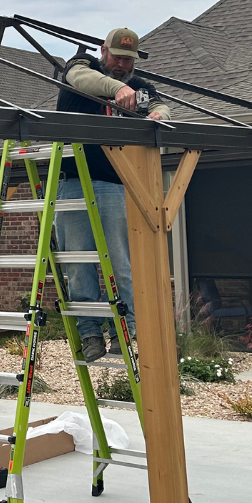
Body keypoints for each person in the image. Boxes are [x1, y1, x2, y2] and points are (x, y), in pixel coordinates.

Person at [55, 27, 171, 361]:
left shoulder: (141, 87)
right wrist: (118, 88)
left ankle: (126, 331)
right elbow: (79, 78)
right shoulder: (82, 65)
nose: (122, 64)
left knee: (121, 260)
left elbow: (163, 107)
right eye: (117, 57)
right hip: (74, 179)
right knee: (78, 263)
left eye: (128, 60)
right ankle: (91, 333)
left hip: (115, 182)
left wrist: (155, 116)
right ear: (104, 50)